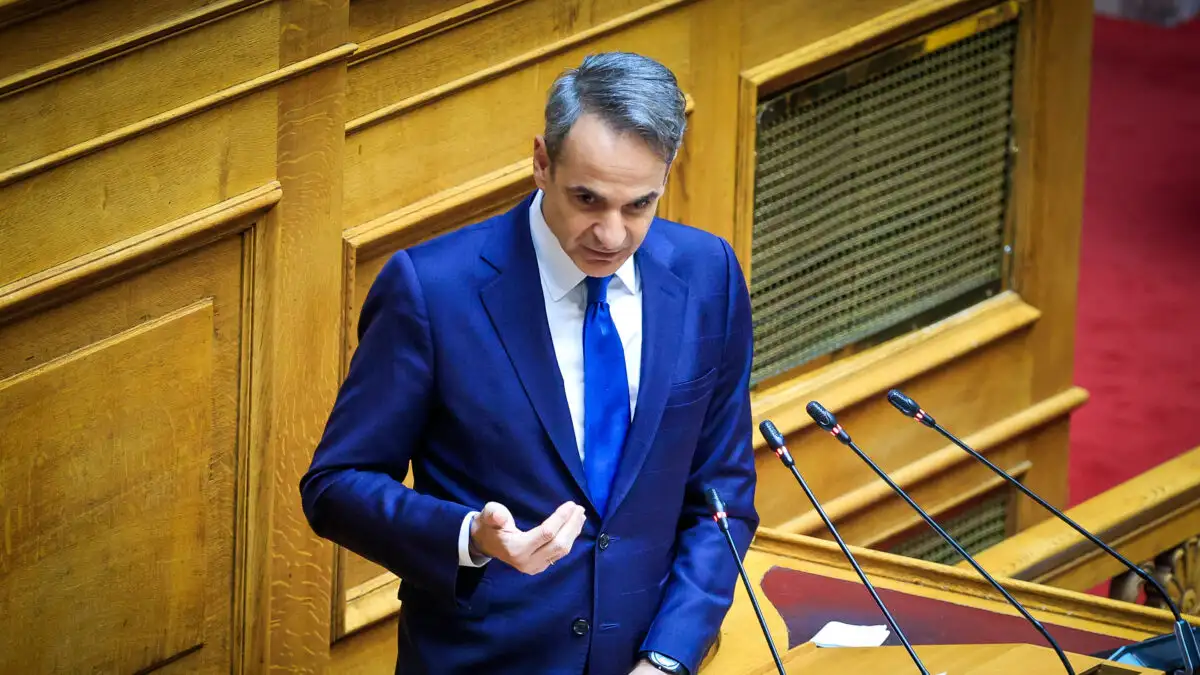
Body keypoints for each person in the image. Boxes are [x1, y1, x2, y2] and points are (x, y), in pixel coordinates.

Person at [300, 51, 758, 675]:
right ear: (542, 162)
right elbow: (335, 486)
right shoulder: (432, 291)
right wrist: (470, 536)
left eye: (639, 205)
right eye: (587, 199)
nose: (611, 235)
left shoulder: (709, 275)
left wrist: (669, 656)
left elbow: (722, 494)